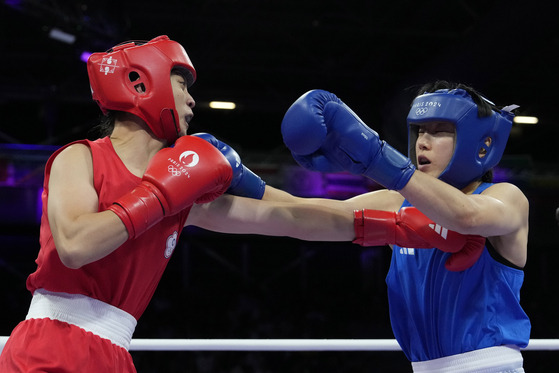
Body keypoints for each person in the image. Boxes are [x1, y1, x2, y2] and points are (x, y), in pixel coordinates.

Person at [0, 34, 486, 372]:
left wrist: (406, 223)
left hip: (113, 353)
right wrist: (162, 193)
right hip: (48, 345)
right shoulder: (79, 159)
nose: (192, 98)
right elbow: (77, 245)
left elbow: (294, 216)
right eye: (182, 83)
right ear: (140, 82)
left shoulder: (184, 195)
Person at [279, 83, 531, 372]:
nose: (422, 142)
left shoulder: (505, 197)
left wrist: (375, 158)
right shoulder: (396, 203)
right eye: (420, 130)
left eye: (438, 130)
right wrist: (237, 186)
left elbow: (466, 216)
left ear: (482, 143)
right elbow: (295, 215)